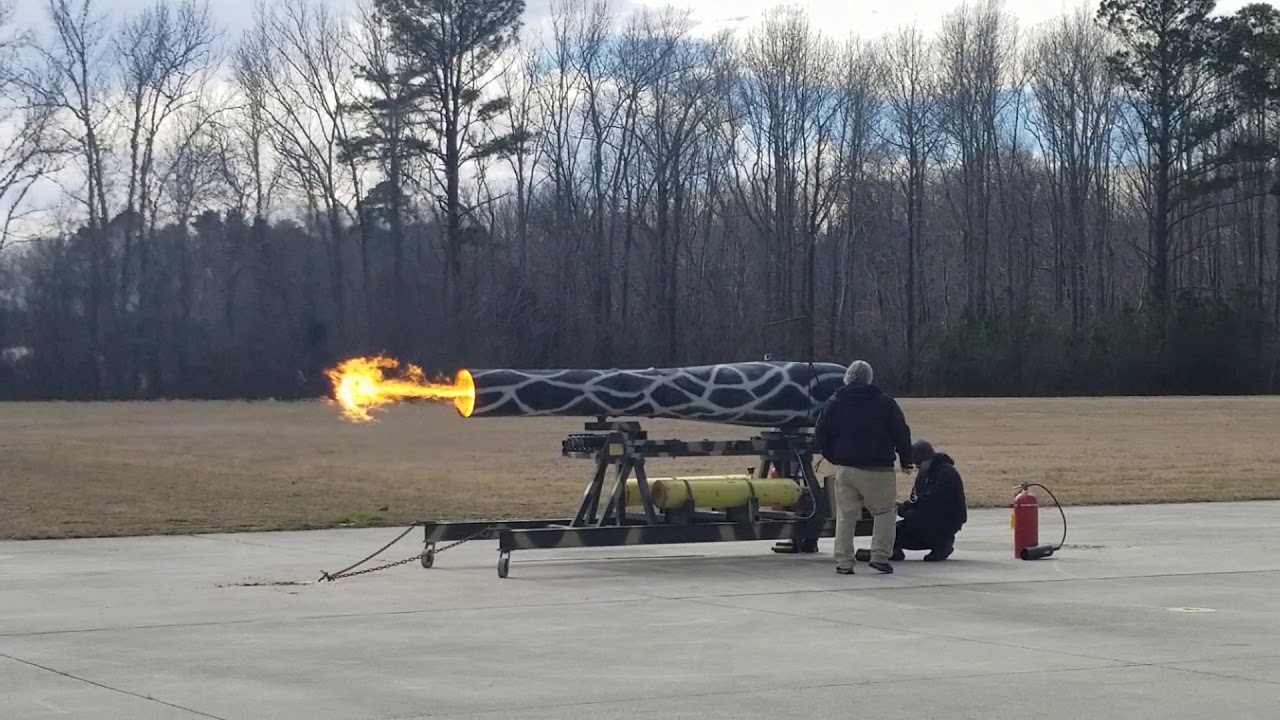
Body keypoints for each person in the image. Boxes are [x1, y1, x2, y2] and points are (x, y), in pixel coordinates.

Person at [814, 360, 913, 575]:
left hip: (846, 469)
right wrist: (906, 459)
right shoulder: (885, 403)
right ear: (870, 379)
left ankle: (844, 561)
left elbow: (820, 434)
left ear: (847, 378)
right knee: (884, 512)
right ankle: (879, 556)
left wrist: (834, 457)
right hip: (878, 470)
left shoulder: (834, 402)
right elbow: (901, 433)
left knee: (846, 515)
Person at [894, 440, 966, 560]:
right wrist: (905, 507)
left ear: (928, 458)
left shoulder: (946, 473)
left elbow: (933, 501)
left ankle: (942, 544)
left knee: (915, 519)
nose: (917, 467)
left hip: (944, 521)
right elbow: (915, 498)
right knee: (894, 532)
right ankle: (893, 550)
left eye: (919, 463)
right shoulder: (925, 474)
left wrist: (907, 509)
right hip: (927, 517)